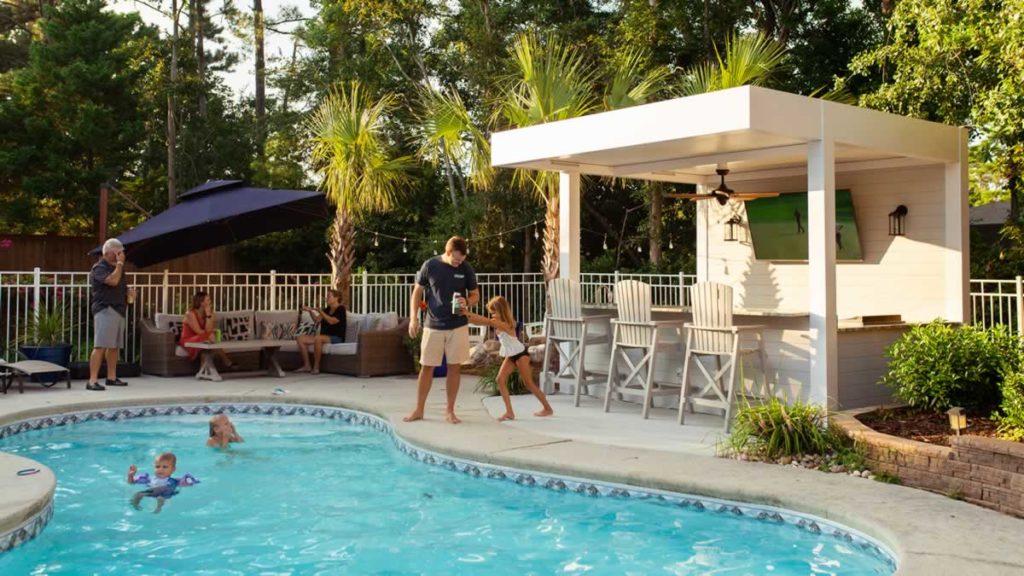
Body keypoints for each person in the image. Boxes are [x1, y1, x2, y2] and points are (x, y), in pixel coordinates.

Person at [405, 236, 479, 424]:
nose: (458, 263)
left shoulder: (466, 268)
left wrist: (468, 301)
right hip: (433, 325)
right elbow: (417, 293)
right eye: (456, 259)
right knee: (427, 367)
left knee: (454, 367)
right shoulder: (430, 265)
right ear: (447, 253)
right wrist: (413, 318)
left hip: (458, 325)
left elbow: (475, 294)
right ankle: (419, 409)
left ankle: (450, 410)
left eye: (461, 260)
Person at [465, 296, 553, 421]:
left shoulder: (506, 323)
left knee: (529, 384)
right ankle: (509, 412)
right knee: (500, 380)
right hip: (511, 355)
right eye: (491, 312)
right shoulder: (497, 321)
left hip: (521, 354)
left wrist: (467, 313)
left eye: (494, 312)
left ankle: (547, 408)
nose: (492, 315)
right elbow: (481, 321)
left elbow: (485, 321)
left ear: (501, 310)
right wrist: (467, 316)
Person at [87, 238, 135, 391]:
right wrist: (120, 264)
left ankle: (111, 377)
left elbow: (120, 286)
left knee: (114, 347)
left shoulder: (119, 268)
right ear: (109, 252)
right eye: (118, 252)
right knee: (100, 345)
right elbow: (113, 281)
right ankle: (92, 380)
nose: (121, 255)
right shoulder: (99, 268)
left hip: (119, 309)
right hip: (105, 309)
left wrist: (129, 293)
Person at [180, 291, 237, 370]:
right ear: (201, 302)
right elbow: (199, 331)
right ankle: (227, 361)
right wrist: (209, 335)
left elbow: (208, 330)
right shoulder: (190, 314)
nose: (210, 302)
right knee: (210, 337)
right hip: (189, 340)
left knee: (207, 345)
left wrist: (208, 314)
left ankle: (204, 370)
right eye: (208, 300)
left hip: (202, 337)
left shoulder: (210, 313)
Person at [295, 289, 346, 375]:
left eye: (329, 296)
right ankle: (307, 365)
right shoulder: (327, 309)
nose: (327, 298)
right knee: (301, 339)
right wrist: (310, 311)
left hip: (336, 338)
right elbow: (316, 320)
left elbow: (332, 321)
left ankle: (316, 367)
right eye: (327, 296)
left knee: (318, 338)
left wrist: (320, 311)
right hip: (324, 337)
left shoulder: (341, 309)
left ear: (337, 298)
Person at [127, 452, 197, 513]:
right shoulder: (150, 479)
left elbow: (188, 483)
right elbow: (131, 483)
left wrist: (187, 482)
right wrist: (131, 475)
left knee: (160, 498)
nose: (160, 469)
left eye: (165, 467)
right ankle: (135, 505)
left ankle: (158, 508)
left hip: (165, 494)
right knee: (138, 494)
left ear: (173, 469)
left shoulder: (174, 480)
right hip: (152, 492)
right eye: (157, 466)